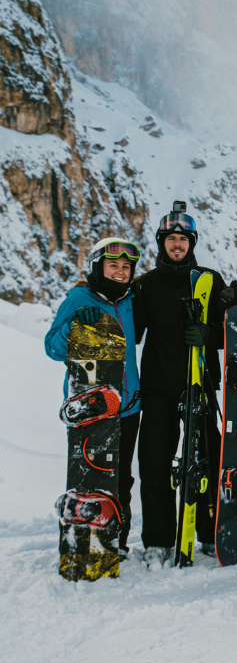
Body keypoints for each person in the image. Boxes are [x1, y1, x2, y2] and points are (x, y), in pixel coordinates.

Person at [132, 205, 232, 569]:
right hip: (159, 387)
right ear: (162, 243)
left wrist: (210, 334)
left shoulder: (209, 279)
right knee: (154, 463)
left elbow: (231, 332)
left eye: (183, 239)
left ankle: (207, 532)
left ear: (192, 243)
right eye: (171, 239)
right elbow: (133, 330)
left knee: (208, 460)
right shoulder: (145, 285)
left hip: (202, 384)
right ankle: (158, 539)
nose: (177, 245)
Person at [45, 238, 143, 557]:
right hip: (92, 409)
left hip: (127, 406)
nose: (120, 271)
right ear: (98, 267)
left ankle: (116, 542)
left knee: (121, 479)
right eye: (113, 265)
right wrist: (74, 326)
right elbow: (52, 348)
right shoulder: (79, 298)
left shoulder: (130, 300)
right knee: (90, 475)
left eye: (126, 267)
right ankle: (84, 543)